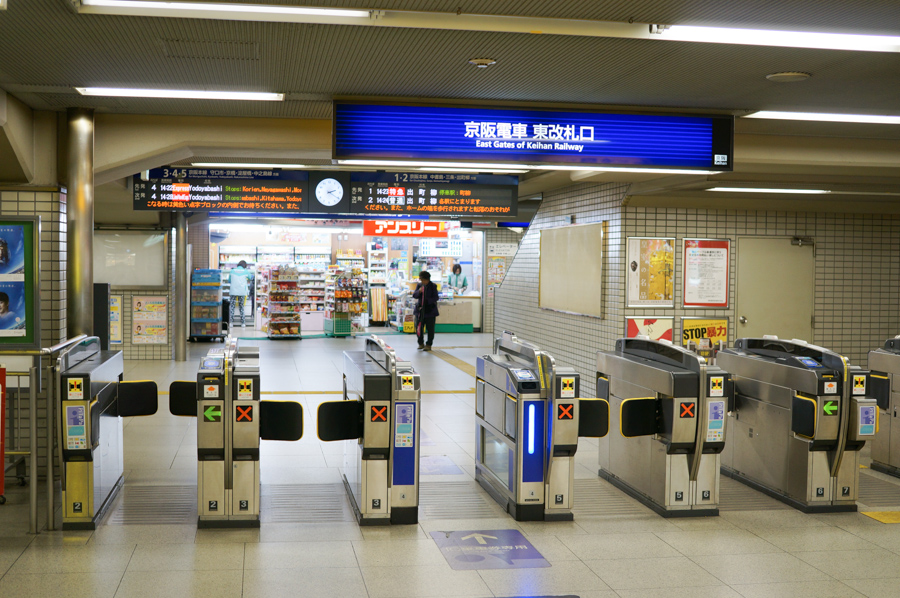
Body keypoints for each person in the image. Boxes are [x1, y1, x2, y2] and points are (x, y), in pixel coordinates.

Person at [413, 270, 439, 351]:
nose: (422, 281)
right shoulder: (419, 285)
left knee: (430, 329)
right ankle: (420, 343)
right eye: (421, 280)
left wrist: (428, 301)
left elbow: (436, 297)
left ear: (427, 279)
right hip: (420, 311)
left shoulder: (433, 286)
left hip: (430, 311)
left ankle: (428, 344)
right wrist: (419, 291)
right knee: (418, 328)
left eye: (423, 280)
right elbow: (414, 295)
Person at [229, 260, 252, 327]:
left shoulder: (232, 271)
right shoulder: (246, 271)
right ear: (244, 266)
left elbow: (229, 280)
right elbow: (250, 277)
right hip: (242, 291)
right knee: (241, 307)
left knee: (232, 306)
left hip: (233, 291)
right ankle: (243, 323)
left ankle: (231, 323)